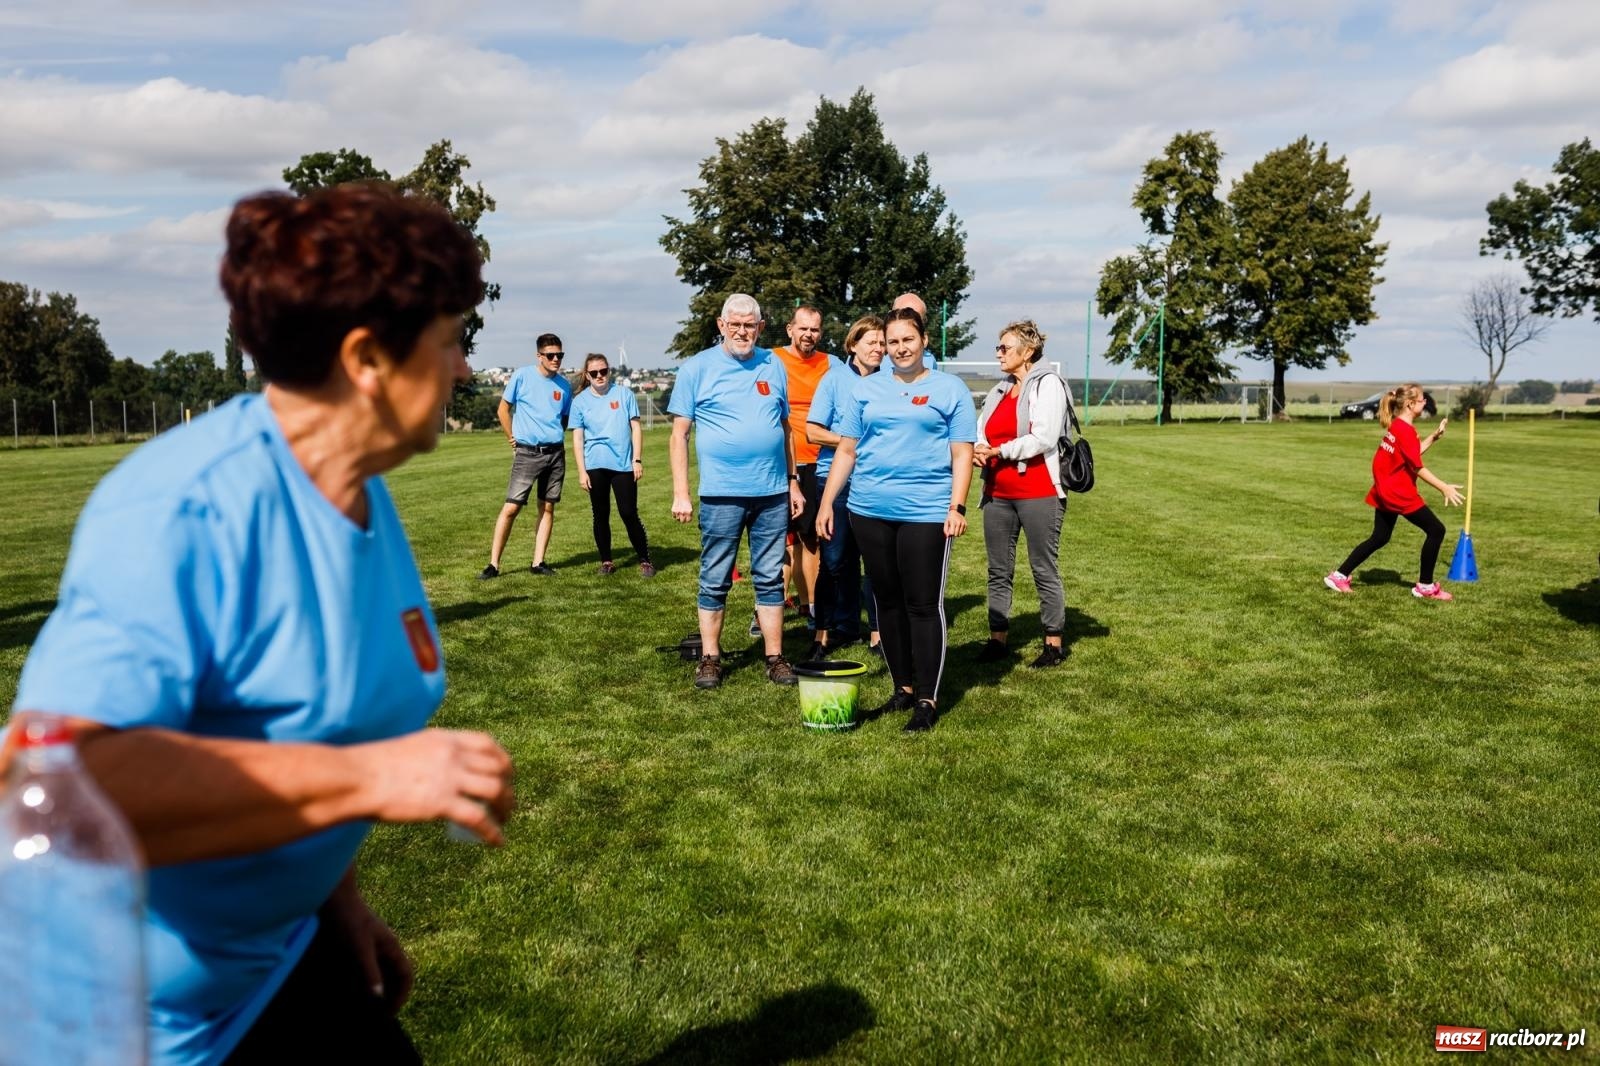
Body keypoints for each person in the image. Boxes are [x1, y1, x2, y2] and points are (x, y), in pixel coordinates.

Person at [4, 182, 516, 1066]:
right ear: (367, 361)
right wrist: (367, 778)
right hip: (146, 1026)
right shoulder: (185, 508)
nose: (464, 369)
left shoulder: (364, 491)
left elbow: (295, 721)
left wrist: (335, 901)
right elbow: (57, 776)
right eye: (448, 341)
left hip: (279, 961)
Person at [816, 307, 976, 731]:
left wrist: (956, 506)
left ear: (924, 341)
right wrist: (827, 502)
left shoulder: (950, 389)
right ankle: (902, 688)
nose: (900, 348)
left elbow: (962, 454)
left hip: (926, 511)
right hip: (869, 509)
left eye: (908, 339)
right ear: (883, 347)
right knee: (885, 601)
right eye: (892, 342)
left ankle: (927, 698)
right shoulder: (866, 390)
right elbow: (847, 450)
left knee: (922, 605)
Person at [669, 293, 807, 690]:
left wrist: (793, 482)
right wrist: (682, 492)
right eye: (735, 324)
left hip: (771, 493)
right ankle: (710, 658)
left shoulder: (773, 365)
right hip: (721, 494)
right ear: (721, 325)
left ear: (761, 328)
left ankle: (775, 657)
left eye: (750, 324)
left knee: (769, 577)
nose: (742, 331)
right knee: (715, 577)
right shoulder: (697, 368)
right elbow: (679, 434)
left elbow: (784, 429)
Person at [974, 320, 1070, 668]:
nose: (998, 353)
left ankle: (1053, 644)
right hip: (997, 490)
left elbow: (1042, 437)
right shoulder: (1000, 389)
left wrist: (998, 451)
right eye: (998, 347)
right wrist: (980, 449)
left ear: (1027, 351)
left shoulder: (1048, 384)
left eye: (1005, 347)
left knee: (1043, 567)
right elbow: (982, 428)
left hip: (1038, 490)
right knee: (998, 569)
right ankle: (997, 639)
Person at [1325, 382, 1464, 600]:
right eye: (1421, 400)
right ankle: (1425, 586)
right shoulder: (1405, 431)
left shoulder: (1397, 427)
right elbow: (1417, 467)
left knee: (1380, 537)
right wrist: (1443, 487)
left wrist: (1433, 438)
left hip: (1385, 490)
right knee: (1436, 530)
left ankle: (1339, 575)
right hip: (1398, 493)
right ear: (1410, 404)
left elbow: (1410, 456)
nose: (1425, 402)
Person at [805, 313, 885, 659]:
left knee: (876, 564)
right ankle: (826, 633)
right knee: (836, 561)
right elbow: (813, 431)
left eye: (883, 343)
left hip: (876, 483)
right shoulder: (834, 380)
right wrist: (851, 442)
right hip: (835, 483)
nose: (879, 349)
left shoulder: (890, 382)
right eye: (872, 343)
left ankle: (878, 635)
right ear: (853, 345)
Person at [479, 332, 573, 578]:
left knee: (548, 507)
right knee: (511, 508)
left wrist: (553, 437)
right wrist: (512, 438)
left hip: (556, 455)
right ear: (539, 355)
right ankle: (493, 565)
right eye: (551, 355)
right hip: (527, 454)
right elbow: (503, 409)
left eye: (559, 355)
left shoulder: (564, 386)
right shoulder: (522, 376)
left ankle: (538, 562)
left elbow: (563, 419)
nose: (556, 359)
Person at [772, 305, 832, 631]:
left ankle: (810, 606)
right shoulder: (771, 360)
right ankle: (769, 607)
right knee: (779, 539)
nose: (808, 334)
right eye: (803, 328)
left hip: (817, 461)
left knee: (811, 540)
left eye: (815, 329)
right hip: (779, 462)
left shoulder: (830, 364)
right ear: (789, 329)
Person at [571, 353, 655, 577]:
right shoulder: (579, 402)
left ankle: (645, 560)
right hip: (595, 464)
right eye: (594, 373)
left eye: (603, 371)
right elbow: (577, 439)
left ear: (609, 371)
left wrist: (636, 460)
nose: (600, 376)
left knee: (628, 512)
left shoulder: (624, 394)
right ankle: (606, 561)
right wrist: (581, 471)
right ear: (587, 375)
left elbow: (636, 429)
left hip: (623, 464)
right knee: (600, 514)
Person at [892, 292, 939, 369]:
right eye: (904, 316)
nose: (910, 324)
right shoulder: (876, 356)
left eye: (917, 319)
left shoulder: (928, 361)